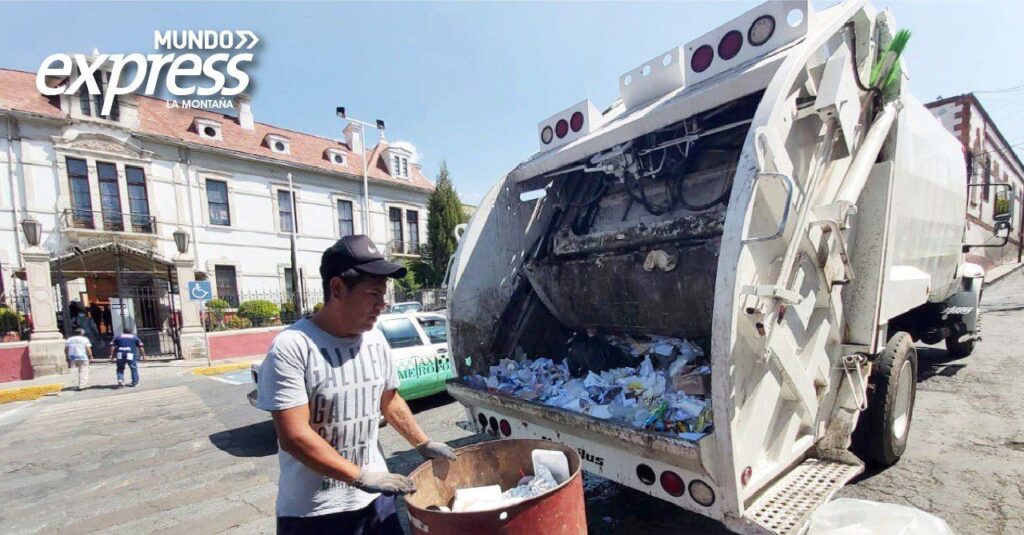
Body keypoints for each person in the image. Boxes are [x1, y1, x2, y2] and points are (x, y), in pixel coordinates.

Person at [257, 235, 457, 535]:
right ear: (337, 288)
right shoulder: (293, 347)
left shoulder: (374, 339)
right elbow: (294, 436)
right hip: (315, 514)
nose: (383, 304)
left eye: (384, 294)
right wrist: (359, 477)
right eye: (374, 293)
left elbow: (389, 400)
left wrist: (422, 443)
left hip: (376, 503)